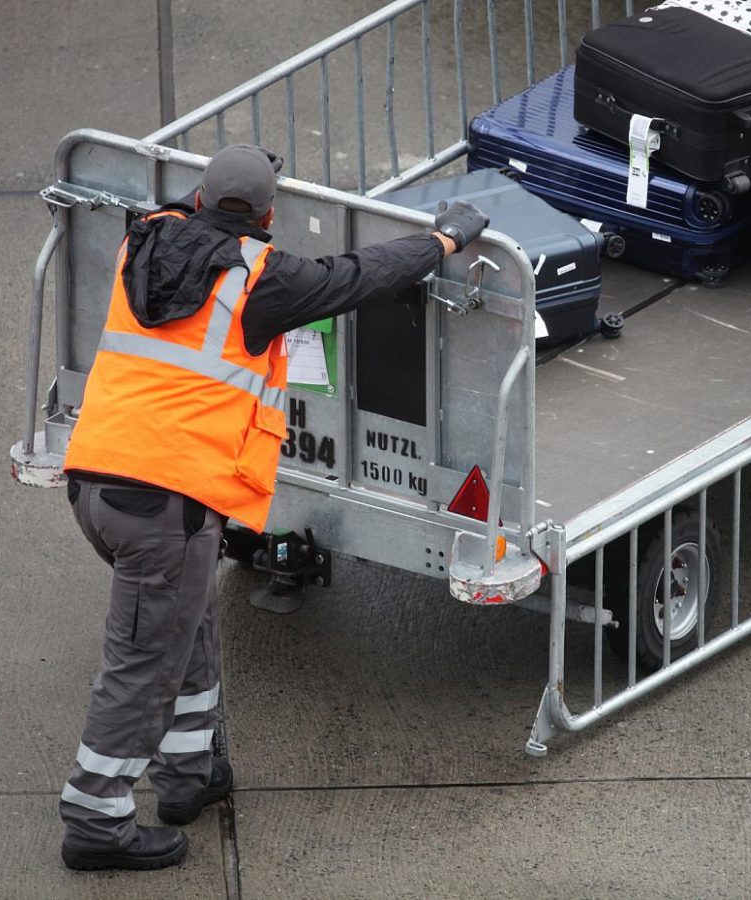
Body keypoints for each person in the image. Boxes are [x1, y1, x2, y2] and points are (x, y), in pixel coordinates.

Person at [57, 144, 488, 871]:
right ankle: (95, 817)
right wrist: (444, 238)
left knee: (182, 625)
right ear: (268, 217)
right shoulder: (261, 280)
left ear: (196, 200)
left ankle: (189, 775)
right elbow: (362, 275)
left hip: (100, 485)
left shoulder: (144, 240)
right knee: (142, 665)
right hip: (168, 504)